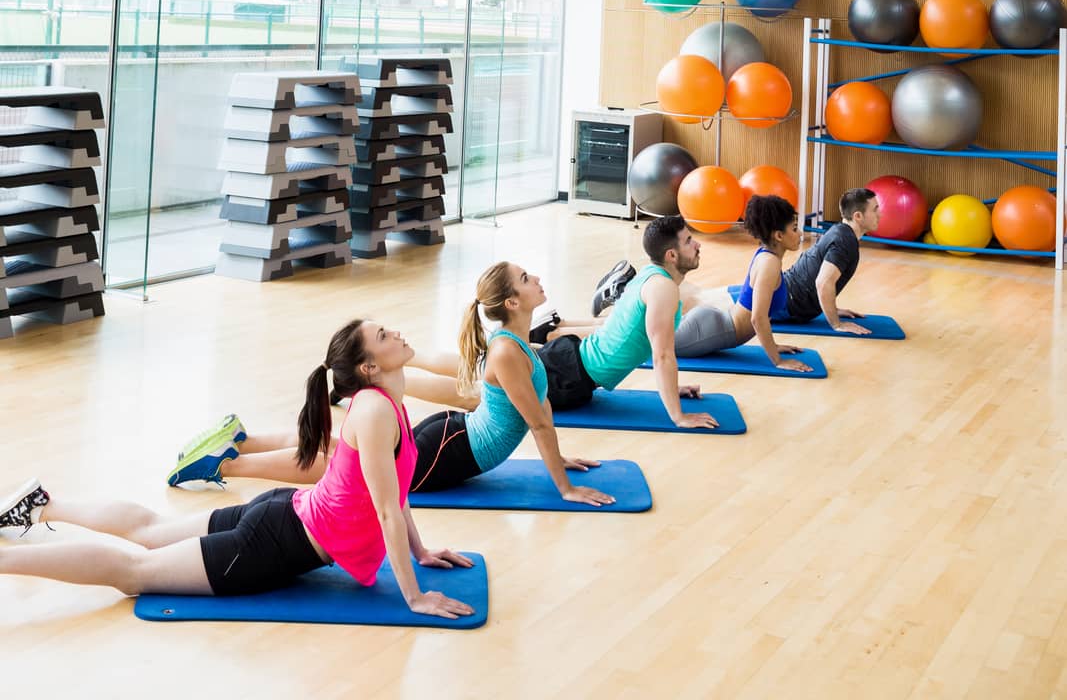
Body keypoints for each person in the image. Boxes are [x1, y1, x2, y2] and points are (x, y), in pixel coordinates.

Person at [0, 319, 474, 619]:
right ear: (369, 367)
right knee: (134, 572)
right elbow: (387, 510)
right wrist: (413, 597)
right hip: (275, 541)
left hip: (284, 515)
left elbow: (395, 498)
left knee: (150, 529)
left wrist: (422, 551)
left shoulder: (388, 402)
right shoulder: (374, 412)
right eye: (384, 335)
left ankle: (45, 506)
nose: (397, 332)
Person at [169, 265, 614, 508]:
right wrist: (565, 488)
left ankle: (242, 441)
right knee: (340, 468)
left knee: (342, 451)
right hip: (449, 447)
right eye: (525, 278)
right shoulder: (507, 352)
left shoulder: (514, 342)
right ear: (513, 302)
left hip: (452, 436)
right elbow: (538, 425)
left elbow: (538, 410)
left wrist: (560, 457)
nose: (537, 278)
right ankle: (224, 464)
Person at [537, 217, 722, 430]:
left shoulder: (651, 275)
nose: (697, 244)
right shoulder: (663, 288)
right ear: (671, 255)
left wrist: (673, 388)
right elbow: (662, 356)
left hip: (570, 363)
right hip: (566, 376)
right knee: (507, 396)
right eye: (689, 241)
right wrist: (678, 416)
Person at [779, 187, 881, 332]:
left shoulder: (841, 231)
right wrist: (837, 324)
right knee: (736, 312)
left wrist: (833, 308)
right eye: (875, 209)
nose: (880, 214)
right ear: (858, 216)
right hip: (782, 302)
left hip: (783, 293)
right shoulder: (845, 241)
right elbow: (823, 283)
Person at [732, 196, 815, 373]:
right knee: (658, 347)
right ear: (778, 235)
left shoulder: (768, 256)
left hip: (718, 329)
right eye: (794, 228)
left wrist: (773, 345)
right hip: (711, 333)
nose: (800, 233)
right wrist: (777, 361)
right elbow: (757, 318)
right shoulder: (770, 262)